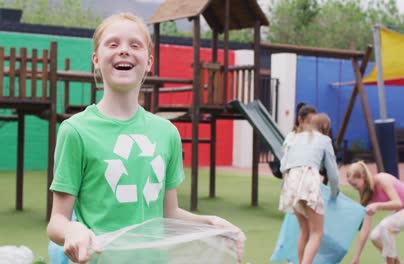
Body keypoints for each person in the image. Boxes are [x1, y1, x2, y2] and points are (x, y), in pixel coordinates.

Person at [46, 12, 244, 264]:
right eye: (113, 44)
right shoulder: (75, 130)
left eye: (135, 45)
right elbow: (56, 222)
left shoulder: (167, 133)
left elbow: (168, 212)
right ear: (96, 59)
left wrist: (210, 223)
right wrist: (72, 229)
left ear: (149, 61)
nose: (124, 51)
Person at [279, 112, 340, 264]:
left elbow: (282, 166)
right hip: (308, 179)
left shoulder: (294, 137)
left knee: (304, 230)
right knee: (317, 233)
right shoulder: (325, 140)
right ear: (326, 128)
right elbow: (333, 174)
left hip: (291, 181)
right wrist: (334, 193)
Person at [347, 161, 404, 264]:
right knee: (375, 236)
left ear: (363, 177)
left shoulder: (382, 179)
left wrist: (377, 205)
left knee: (385, 226)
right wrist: (357, 256)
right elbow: (365, 229)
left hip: (401, 208)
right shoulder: (367, 195)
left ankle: (390, 262)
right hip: (400, 212)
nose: (354, 188)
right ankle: (397, 262)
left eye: (355, 184)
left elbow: (398, 203)